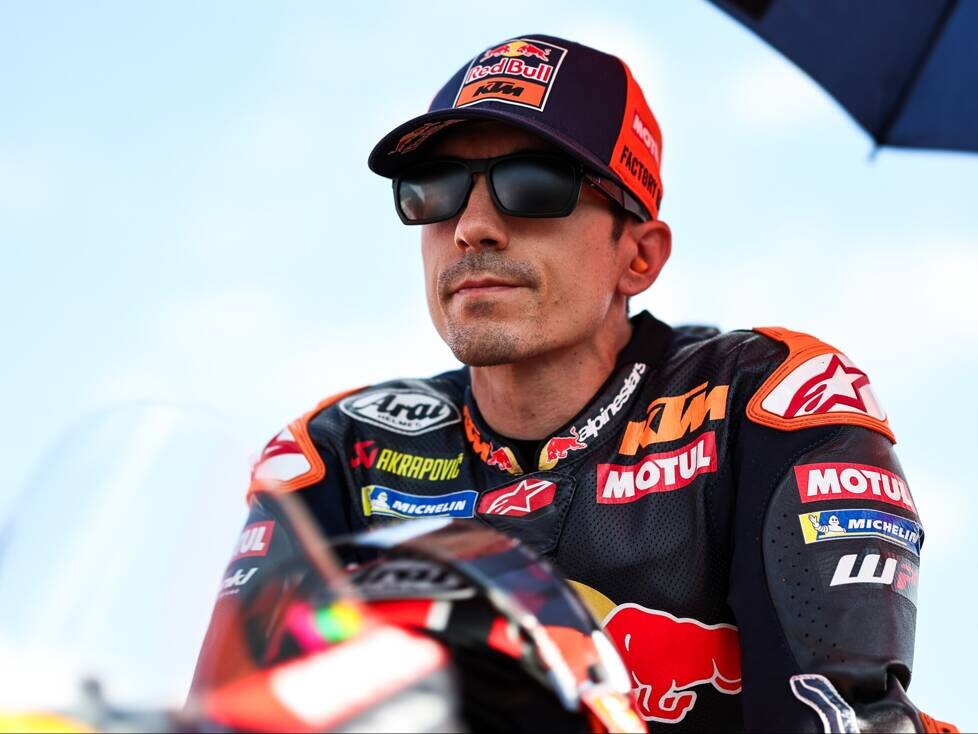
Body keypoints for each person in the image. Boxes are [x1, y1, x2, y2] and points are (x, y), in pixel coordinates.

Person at [193, 35, 955, 732]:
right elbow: (228, 717)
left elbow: (841, 716)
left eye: (532, 185)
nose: (472, 227)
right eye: (435, 188)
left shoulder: (768, 402)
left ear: (639, 256)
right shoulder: (340, 454)